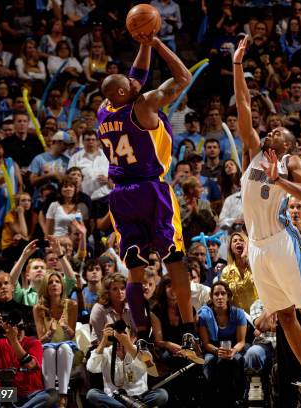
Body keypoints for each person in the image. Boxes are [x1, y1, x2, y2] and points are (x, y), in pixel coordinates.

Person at [234, 38, 301, 408]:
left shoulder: (288, 164)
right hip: (257, 247)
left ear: (288, 145)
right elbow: (245, 105)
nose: (271, 131)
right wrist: (237, 66)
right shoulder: (252, 151)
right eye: (270, 130)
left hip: (283, 240)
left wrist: (278, 179)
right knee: (283, 317)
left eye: (278, 132)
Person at [96, 30, 197, 345]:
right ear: (126, 92)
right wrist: (158, 45)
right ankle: (189, 330)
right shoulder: (144, 105)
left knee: (135, 269)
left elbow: (131, 77)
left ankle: (140, 331)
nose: (136, 81)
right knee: (174, 258)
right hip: (151, 190)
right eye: (131, 85)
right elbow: (184, 77)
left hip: (120, 196)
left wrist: (142, 44)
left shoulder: (104, 109)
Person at [0, 305, 57, 408]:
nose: (18, 331)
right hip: (6, 394)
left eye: (21, 327)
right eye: (14, 327)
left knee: (51, 395)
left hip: (31, 394)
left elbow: (31, 365)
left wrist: (14, 340)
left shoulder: (34, 342)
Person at [86, 322, 169, 407]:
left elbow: (152, 370)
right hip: (115, 399)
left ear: (133, 337)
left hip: (140, 397)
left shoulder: (142, 353)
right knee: (92, 394)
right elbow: (91, 367)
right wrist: (103, 341)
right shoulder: (105, 353)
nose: (119, 340)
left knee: (162, 395)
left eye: (124, 334)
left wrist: (128, 345)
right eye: (116, 336)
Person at [198, 281, 248, 406]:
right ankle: (210, 399)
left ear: (228, 296)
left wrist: (233, 351)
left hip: (234, 347)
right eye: (216, 294)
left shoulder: (238, 313)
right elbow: (206, 343)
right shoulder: (204, 315)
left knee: (237, 360)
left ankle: (238, 398)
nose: (219, 297)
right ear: (211, 297)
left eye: (223, 293)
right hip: (213, 349)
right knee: (209, 361)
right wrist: (217, 351)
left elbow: (241, 341)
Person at [33, 271, 78, 408]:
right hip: (48, 347)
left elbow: (71, 335)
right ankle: (51, 395)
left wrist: (64, 327)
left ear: (62, 286)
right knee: (49, 351)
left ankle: (63, 396)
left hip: (69, 347)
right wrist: (50, 332)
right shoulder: (38, 308)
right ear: (45, 287)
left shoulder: (71, 305)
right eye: (50, 282)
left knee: (64, 347)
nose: (54, 284)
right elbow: (41, 341)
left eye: (57, 282)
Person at [221, 231, 257, 311]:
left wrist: (246, 256)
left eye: (241, 240)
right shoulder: (226, 271)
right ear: (230, 248)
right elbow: (225, 297)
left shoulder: (256, 265)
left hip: (259, 312)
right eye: (235, 241)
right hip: (239, 316)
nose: (238, 242)